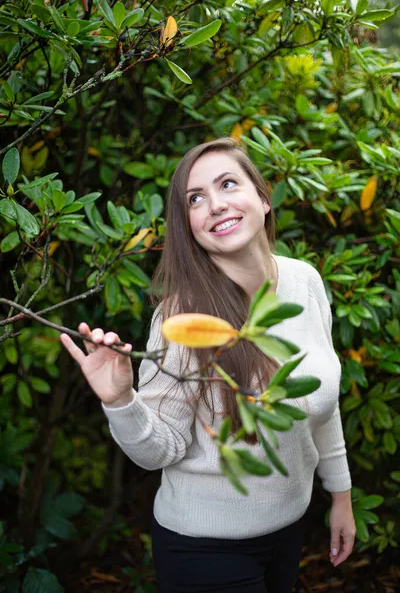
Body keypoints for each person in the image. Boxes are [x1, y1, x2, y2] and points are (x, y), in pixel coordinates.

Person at [60, 138, 356, 593]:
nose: (214, 205)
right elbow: (162, 449)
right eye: (195, 199)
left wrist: (341, 495)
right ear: (190, 226)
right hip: (204, 549)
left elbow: (321, 398)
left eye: (227, 184)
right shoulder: (184, 320)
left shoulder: (305, 281)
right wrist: (121, 400)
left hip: (288, 530)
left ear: (263, 197)